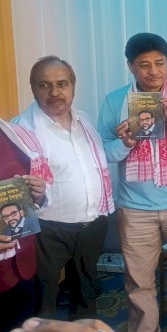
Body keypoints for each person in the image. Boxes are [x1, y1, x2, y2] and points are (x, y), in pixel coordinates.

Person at [97, 33, 167, 331]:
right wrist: (125, 143)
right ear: (130, 67)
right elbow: (103, 152)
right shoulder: (115, 101)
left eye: (159, 63)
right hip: (135, 207)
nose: (153, 71)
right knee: (138, 282)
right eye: (144, 65)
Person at [14, 56, 114, 320]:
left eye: (62, 83)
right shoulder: (20, 131)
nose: (55, 92)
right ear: (33, 88)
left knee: (86, 294)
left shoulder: (85, 121)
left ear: (73, 85)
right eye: (44, 85)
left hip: (91, 224)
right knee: (43, 301)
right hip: (47, 230)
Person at [0, 119, 50, 331]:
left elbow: (29, 195)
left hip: (23, 265)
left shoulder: (15, 135)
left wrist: (38, 195)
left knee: (23, 325)